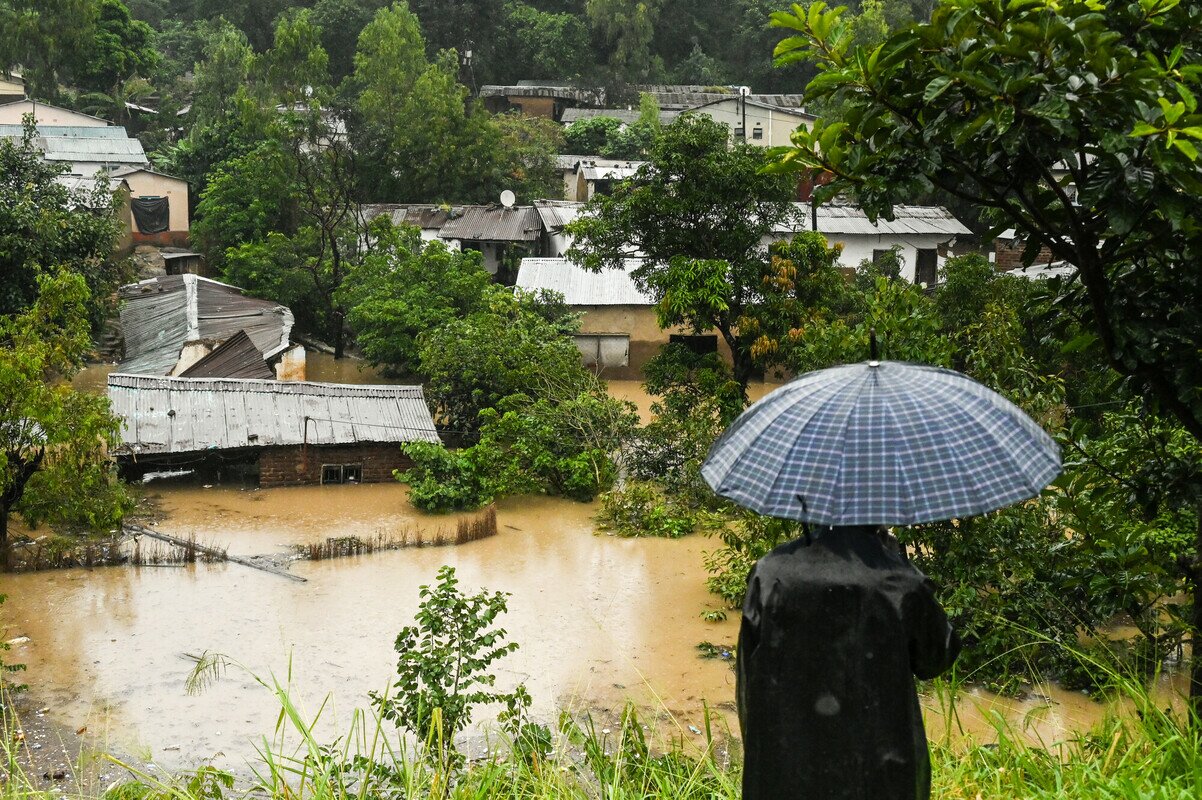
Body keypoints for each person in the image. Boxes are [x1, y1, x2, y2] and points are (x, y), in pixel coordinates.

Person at [737, 524, 960, 800]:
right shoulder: (900, 581)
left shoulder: (769, 572)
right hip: (880, 770)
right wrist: (896, 561)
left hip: (788, 766)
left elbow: (749, 674)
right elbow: (936, 658)